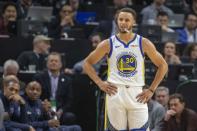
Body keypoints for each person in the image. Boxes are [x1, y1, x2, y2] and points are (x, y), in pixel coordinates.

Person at [83, 8, 168, 131]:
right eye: (120, 19)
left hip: (137, 93)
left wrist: (151, 89)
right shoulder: (108, 43)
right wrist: (100, 83)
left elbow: (163, 65)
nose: (123, 22)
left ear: (133, 22)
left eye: (127, 20)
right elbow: (87, 63)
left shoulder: (143, 43)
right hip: (115, 93)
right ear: (117, 21)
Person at [34, 52, 76, 125]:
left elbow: (69, 100)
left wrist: (61, 111)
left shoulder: (67, 80)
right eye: (51, 61)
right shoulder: (39, 77)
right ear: (47, 63)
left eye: (56, 61)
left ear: (61, 64)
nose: (53, 63)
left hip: (59, 110)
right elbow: (35, 96)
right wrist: (45, 107)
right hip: (43, 108)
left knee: (70, 116)